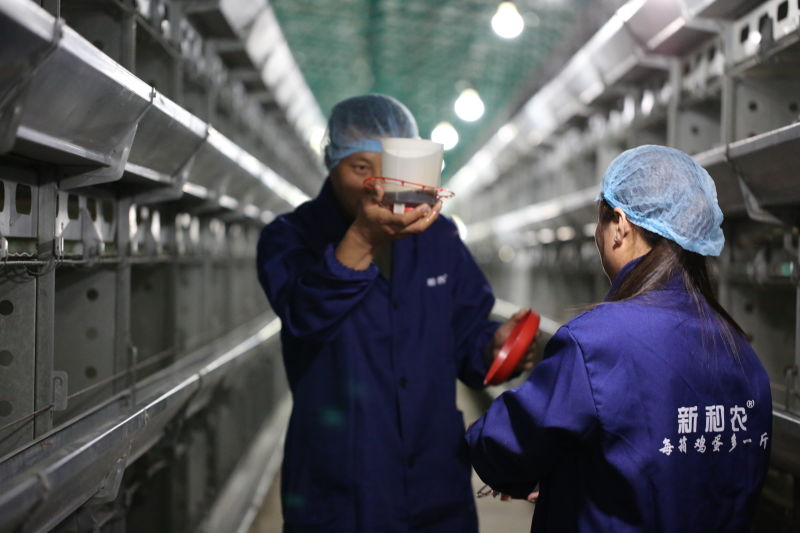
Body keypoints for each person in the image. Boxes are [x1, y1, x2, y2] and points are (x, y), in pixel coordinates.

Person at [256, 93, 531, 532]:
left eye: (389, 168)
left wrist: (493, 346)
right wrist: (363, 238)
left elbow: (466, 333)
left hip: (434, 480)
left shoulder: (438, 237)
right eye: (360, 167)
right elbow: (305, 316)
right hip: (339, 485)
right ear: (331, 163)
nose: (376, 184)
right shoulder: (290, 237)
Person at [466, 145, 772, 532]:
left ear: (620, 225)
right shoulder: (741, 350)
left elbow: (501, 447)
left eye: (600, 223)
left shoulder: (595, 341)